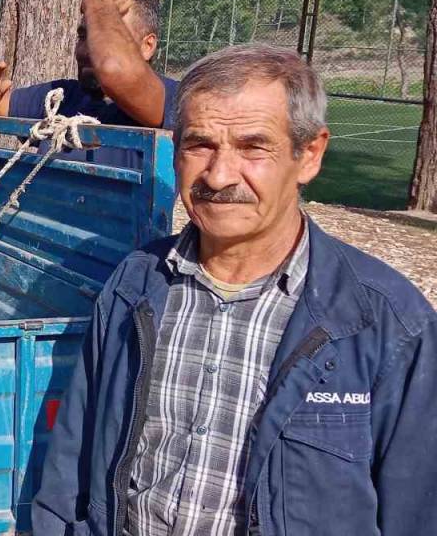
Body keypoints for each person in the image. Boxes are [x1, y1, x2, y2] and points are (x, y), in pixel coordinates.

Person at [31, 43, 437, 536]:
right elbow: (74, 458)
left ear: (308, 155)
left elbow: (416, 509)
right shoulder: (136, 283)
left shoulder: (387, 324)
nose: (220, 176)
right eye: (200, 145)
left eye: (253, 147)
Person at [0, 0, 175, 131]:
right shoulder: (63, 96)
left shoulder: (173, 99)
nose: (89, 49)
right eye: (83, 35)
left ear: (148, 46)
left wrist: (98, 3)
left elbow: (113, 68)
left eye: (108, 37)